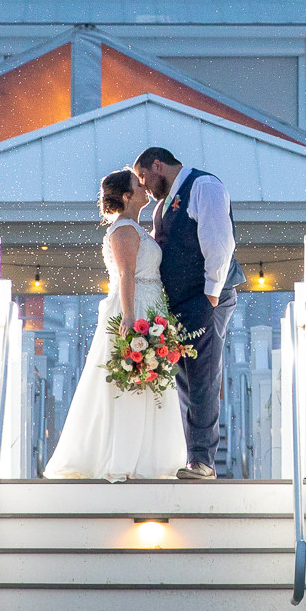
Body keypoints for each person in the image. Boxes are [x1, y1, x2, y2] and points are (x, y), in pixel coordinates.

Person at [42, 170, 186, 481]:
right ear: (126, 196)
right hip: (134, 308)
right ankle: (124, 458)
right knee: (131, 381)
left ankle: (148, 457)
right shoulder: (123, 231)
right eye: (138, 185)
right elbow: (125, 274)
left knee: (151, 382)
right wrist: (130, 317)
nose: (145, 187)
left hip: (151, 305)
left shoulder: (138, 229)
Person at [132, 146, 244, 480]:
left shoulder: (204, 186)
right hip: (181, 302)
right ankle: (193, 455)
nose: (144, 187)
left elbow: (219, 241)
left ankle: (203, 461)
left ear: (157, 165)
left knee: (203, 376)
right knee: (185, 379)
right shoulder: (163, 206)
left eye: (143, 177)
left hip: (205, 297)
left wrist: (210, 295)